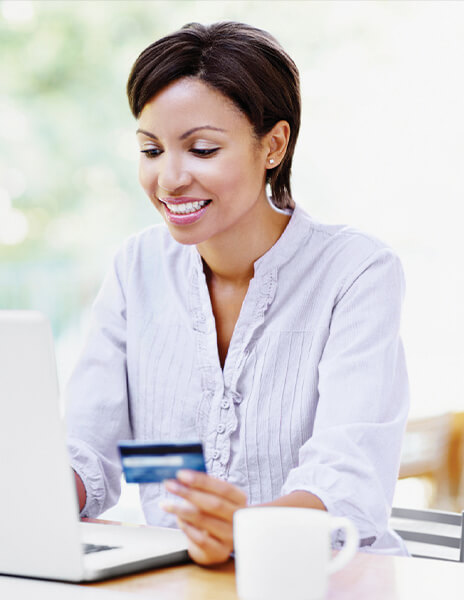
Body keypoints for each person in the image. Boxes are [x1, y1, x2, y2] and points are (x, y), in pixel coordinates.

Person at [65, 21, 409, 565]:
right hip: (181, 578)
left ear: (273, 145)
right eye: (151, 150)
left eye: (202, 150)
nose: (169, 179)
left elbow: (348, 480)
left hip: (327, 580)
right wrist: (36, 496)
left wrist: (244, 530)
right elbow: (88, 445)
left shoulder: (357, 272)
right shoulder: (137, 268)